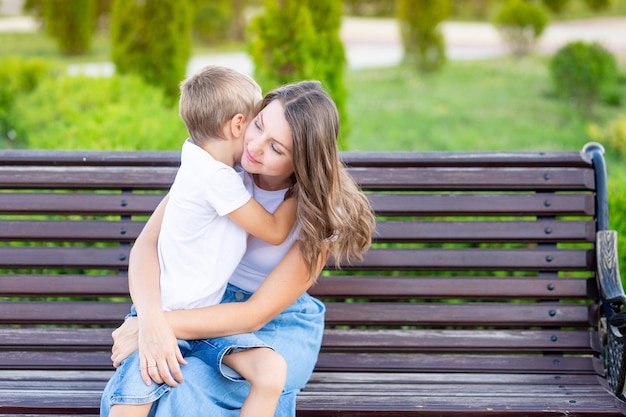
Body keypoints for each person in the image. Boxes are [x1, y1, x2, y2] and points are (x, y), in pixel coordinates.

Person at [105, 80, 376, 416]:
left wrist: (159, 324)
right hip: (201, 306)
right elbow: (147, 244)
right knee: (156, 378)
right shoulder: (219, 168)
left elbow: (254, 314)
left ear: (302, 161)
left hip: (276, 324)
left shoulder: (320, 215)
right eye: (258, 124)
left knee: (187, 392)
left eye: (277, 148)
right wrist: (148, 317)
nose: (255, 146)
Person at [101, 65, 298, 417]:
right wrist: (302, 190)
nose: (254, 143)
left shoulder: (197, 158)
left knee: (270, 370)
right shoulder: (216, 178)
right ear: (237, 125)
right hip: (170, 316)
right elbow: (274, 230)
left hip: (203, 318)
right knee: (133, 402)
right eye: (256, 124)